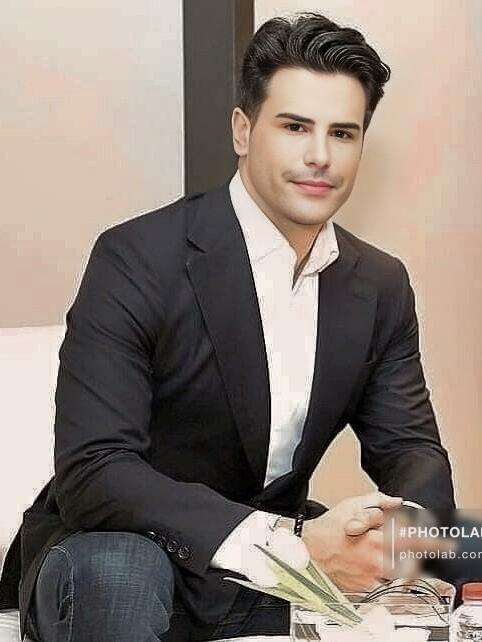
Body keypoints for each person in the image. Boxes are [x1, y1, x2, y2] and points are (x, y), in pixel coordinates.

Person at [0, 11, 455, 642]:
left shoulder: (378, 284)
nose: (320, 156)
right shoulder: (136, 257)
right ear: (243, 130)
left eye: (342, 133)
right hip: (121, 551)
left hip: (270, 571)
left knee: (446, 556)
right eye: (295, 127)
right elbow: (96, 468)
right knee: (120, 569)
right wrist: (289, 545)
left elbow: (411, 451)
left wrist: (399, 541)